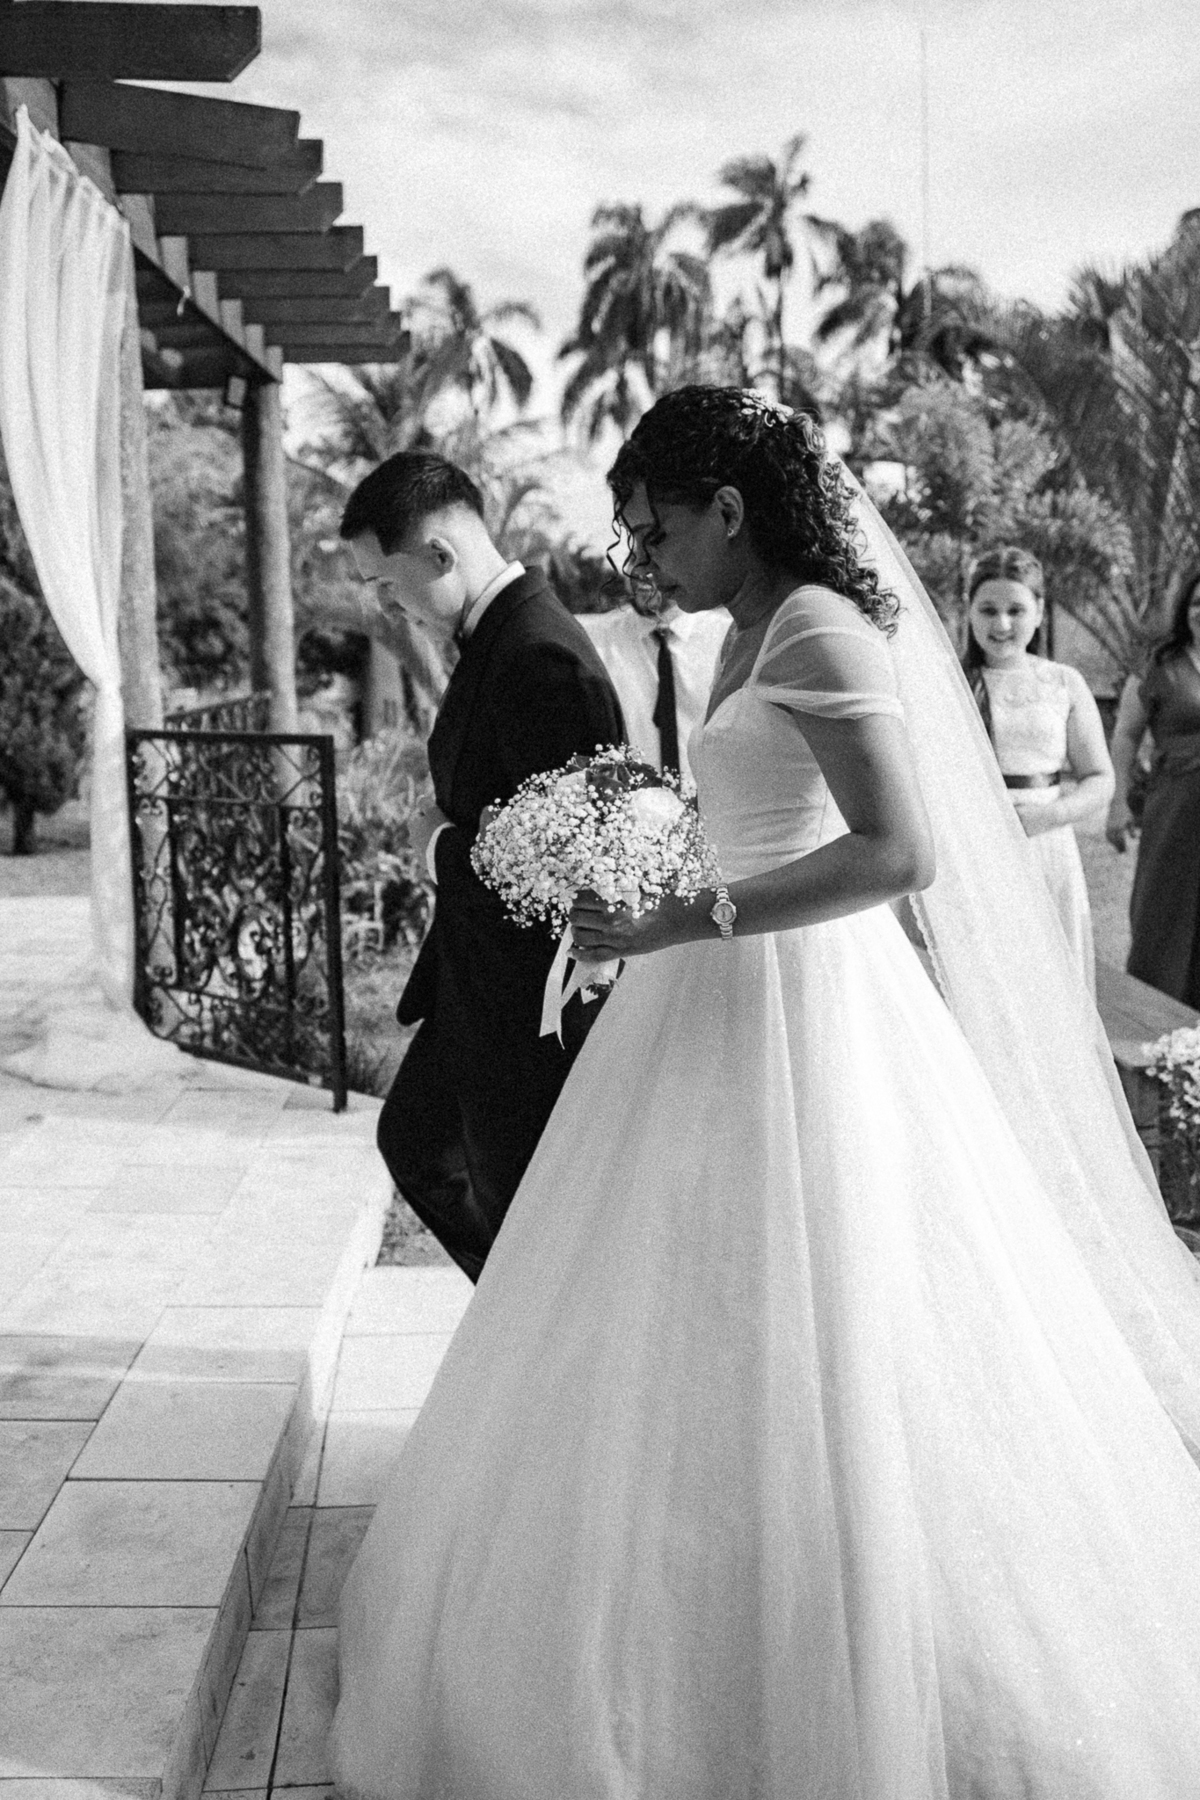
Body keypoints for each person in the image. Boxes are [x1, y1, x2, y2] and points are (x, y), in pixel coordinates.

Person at [332, 391, 1200, 1799]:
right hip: (698, 995)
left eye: (655, 529)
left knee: (838, 1313)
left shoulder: (821, 627)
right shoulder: (740, 625)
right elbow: (743, 809)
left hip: (811, 1007)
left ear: (730, 512)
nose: (642, 558)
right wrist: (646, 865)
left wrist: (686, 915)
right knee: (677, 1311)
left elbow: (901, 852)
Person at [340, 451, 624, 1281]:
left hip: (523, 1005)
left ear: (439, 555)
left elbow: (564, 873)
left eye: (385, 582)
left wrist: (436, 845)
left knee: (516, 1208)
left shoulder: (539, 655)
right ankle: (519, 1327)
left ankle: (534, 1330)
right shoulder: (499, 636)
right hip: (476, 983)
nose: (383, 603)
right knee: (415, 1141)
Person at [962, 545, 1113, 993]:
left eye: (1016, 610)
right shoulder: (951, 682)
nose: (1002, 624)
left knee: (1048, 979)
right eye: (988, 609)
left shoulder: (1064, 682)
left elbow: (1100, 778)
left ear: (1040, 611)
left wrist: (1047, 816)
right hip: (975, 843)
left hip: (1046, 843)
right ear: (969, 610)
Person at [1107, 569, 1200, 1007]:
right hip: (1175, 809)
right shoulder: (1159, 664)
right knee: (1163, 910)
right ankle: (1156, 1015)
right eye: (1197, 603)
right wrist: (1117, 803)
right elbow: (1126, 735)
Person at [577, 574, 728, 786]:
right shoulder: (596, 640)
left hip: (710, 795)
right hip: (632, 799)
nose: (640, 572)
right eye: (633, 560)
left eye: (653, 562)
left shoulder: (724, 637)